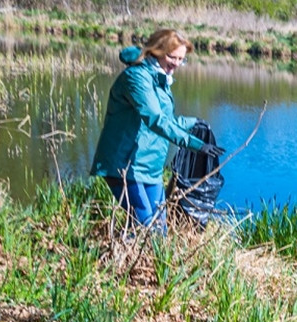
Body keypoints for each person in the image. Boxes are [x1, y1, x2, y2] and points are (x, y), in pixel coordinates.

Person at [90, 28, 224, 234]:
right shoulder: (137, 77)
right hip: (125, 165)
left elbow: (167, 121)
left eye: (181, 59)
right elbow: (155, 120)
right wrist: (195, 144)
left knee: (159, 231)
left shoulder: (161, 78)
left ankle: (129, 249)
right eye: (172, 57)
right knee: (146, 228)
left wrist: (194, 123)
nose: (176, 64)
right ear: (156, 51)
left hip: (150, 166)